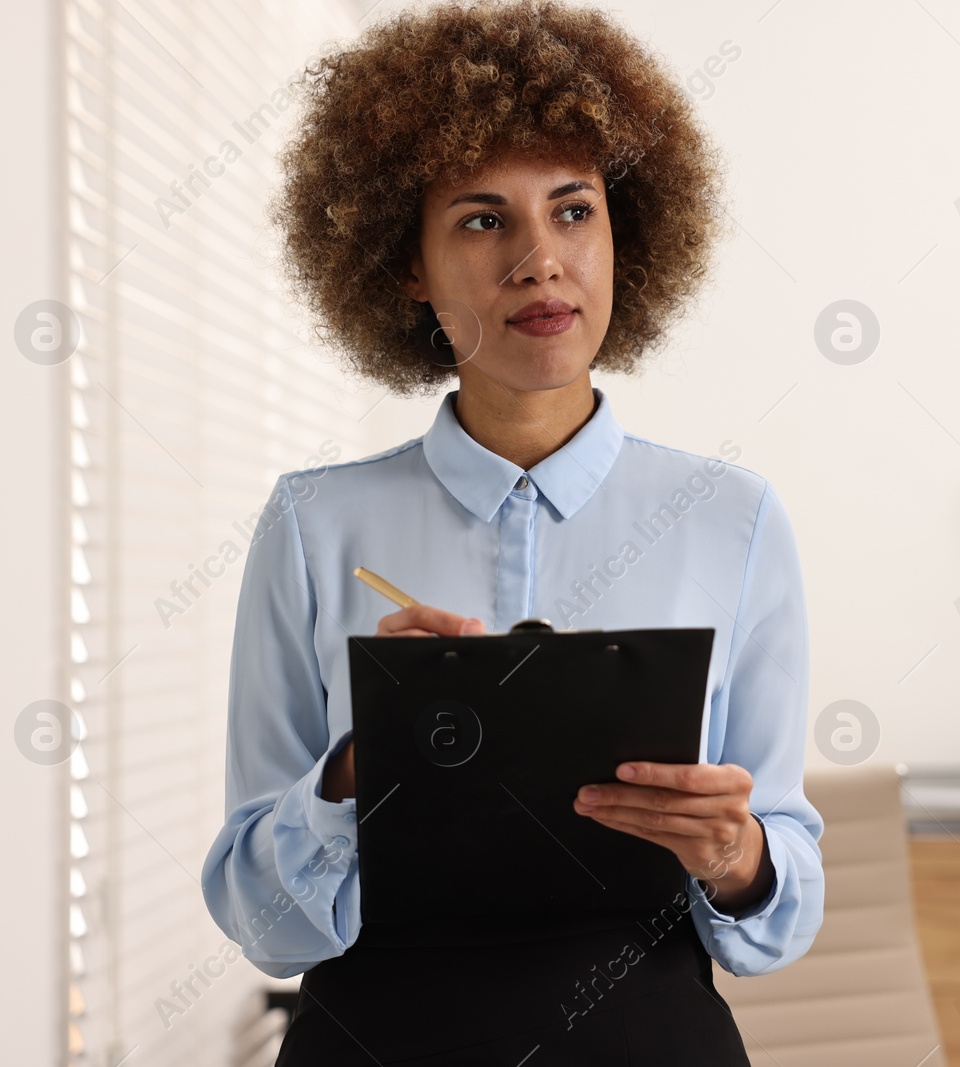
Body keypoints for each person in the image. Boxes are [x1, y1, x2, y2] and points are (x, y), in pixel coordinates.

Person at [199, 2, 824, 1062]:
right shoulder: (313, 526)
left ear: (624, 227)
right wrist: (359, 767)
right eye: (484, 219)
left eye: (573, 210)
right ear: (408, 261)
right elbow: (262, 924)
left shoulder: (736, 520)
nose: (541, 259)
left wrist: (739, 851)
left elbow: (779, 904)